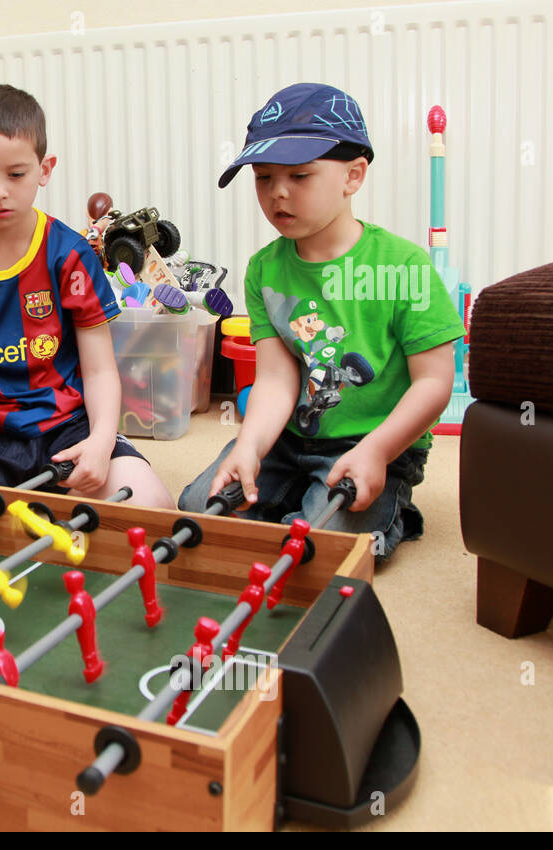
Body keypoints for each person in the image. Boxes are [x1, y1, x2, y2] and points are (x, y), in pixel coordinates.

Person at [178, 83, 465, 559]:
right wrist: (248, 446)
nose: (278, 193)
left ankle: (388, 506)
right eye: (264, 177)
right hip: (290, 437)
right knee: (198, 508)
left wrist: (376, 452)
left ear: (353, 176)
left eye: (300, 176)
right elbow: (273, 379)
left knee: (324, 546)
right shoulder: (263, 269)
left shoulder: (405, 265)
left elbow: (434, 384)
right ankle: (293, 492)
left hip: (375, 443)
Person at [0, 84, 173, 508]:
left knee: (150, 503)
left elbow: (100, 369)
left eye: (16, 174)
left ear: (44, 169)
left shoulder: (71, 255)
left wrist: (102, 442)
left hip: (68, 426)